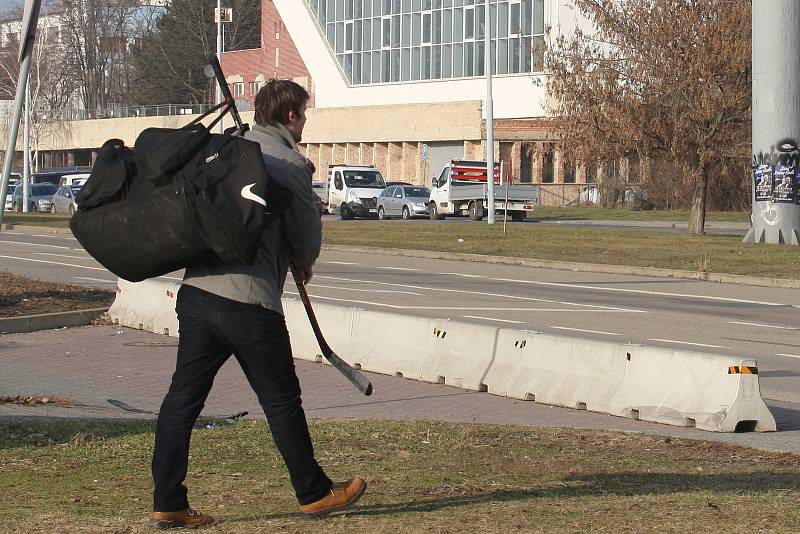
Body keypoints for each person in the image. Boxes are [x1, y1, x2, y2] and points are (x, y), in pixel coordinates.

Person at [149, 79, 366, 529]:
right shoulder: (289, 164)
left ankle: (168, 500)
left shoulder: (229, 147)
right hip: (249, 304)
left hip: (197, 295)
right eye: (303, 115)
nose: (304, 122)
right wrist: (303, 263)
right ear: (290, 116)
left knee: (181, 401)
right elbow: (306, 237)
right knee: (282, 400)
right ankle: (314, 493)